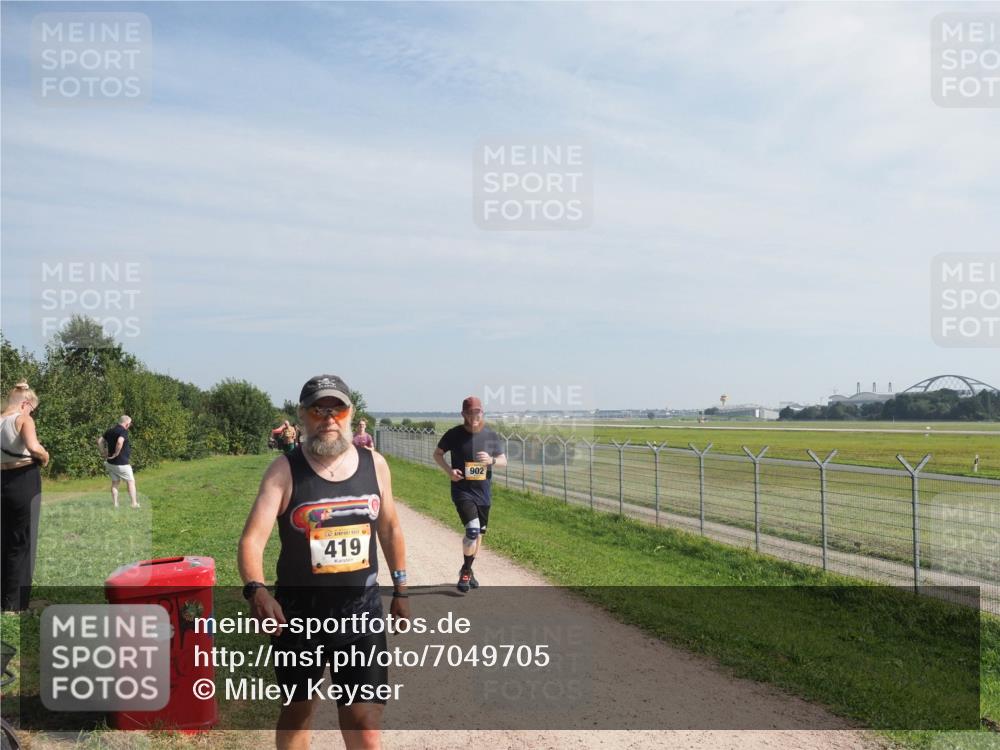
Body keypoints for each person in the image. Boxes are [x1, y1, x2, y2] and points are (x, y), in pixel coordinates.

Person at [238, 374, 409, 750]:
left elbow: (391, 528)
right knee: (298, 713)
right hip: (299, 620)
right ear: (303, 416)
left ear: (351, 414)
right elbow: (252, 539)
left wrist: (401, 588)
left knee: (365, 721)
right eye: (318, 409)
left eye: (338, 409)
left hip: (361, 615)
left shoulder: (375, 465)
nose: (328, 418)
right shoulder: (284, 471)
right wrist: (257, 591)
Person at [433, 396, 506, 592]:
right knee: (472, 530)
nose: (474, 416)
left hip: (483, 493)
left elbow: (503, 461)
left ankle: (468, 569)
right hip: (462, 490)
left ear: (482, 413)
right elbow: (437, 454)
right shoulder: (454, 434)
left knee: (479, 534)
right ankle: (465, 572)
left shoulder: (490, 436)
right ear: (463, 414)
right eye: (470, 412)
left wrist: (490, 460)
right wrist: (449, 471)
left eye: (477, 412)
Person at [1, 382, 50, 612]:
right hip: (23, 480)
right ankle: (16, 605)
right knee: (22, 542)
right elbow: (34, 447)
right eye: (32, 408)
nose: (32, 413)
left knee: (4, 540)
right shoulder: (23, 419)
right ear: (24, 403)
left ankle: (4, 600)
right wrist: (45, 455)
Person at [103, 415, 138, 509]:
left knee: (115, 483)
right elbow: (119, 442)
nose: (129, 426)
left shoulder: (110, 430)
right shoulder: (123, 431)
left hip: (110, 463)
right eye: (130, 424)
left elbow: (99, 441)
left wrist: (103, 452)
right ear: (126, 423)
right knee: (130, 482)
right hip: (122, 463)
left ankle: (115, 504)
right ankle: (134, 504)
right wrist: (116, 453)